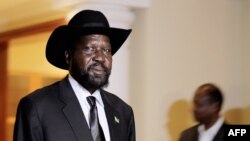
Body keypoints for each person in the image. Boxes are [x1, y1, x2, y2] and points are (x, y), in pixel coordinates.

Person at [13, 10, 135, 141]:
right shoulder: (37, 108)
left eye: (106, 50)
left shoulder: (123, 112)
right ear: (68, 55)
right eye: (89, 48)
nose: (100, 57)